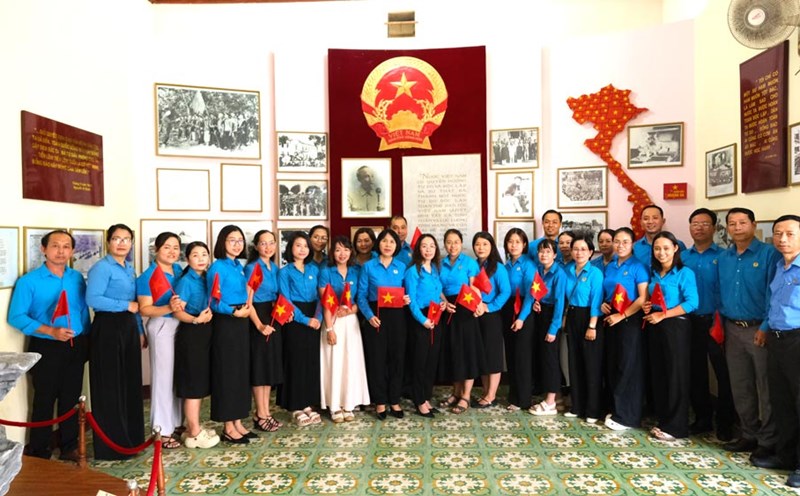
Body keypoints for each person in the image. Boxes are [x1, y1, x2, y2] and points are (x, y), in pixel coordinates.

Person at [8, 230, 90, 461]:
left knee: (71, 398)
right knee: (44, 399)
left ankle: (69, 447)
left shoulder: (76, 278)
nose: (61, 251)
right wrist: (50, 331)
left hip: (76, 344)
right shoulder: (29, 281)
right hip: (46, 347)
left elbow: (83, 312)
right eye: (55, 246)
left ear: (72, 251)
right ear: (43, 249)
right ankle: (39, 450)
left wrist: (87, 341)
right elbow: (16, 317)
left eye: (66, 246)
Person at [718, 208, 781, 459]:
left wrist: (765, 326)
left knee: (765, 386)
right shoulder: (725, 257)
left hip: (759, 329)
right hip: (731, 328)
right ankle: (748, 434)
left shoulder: (769, 255)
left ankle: (768, 440)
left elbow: (773, 294)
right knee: (740, 385)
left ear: (753, 225)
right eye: (731, 223)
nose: (737, 227)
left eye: (742, 222)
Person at [86, 224, 145, 460]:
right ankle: (112, 445)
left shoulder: (129, 268)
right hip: (108, 328)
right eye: (117, 239)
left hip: (128, 327)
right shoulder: (101, 268)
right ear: (108, 242)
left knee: (129, 383)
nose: (122, 243)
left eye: (127, 239)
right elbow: (93, 298)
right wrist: (125, 306)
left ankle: (131, 440)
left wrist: (140, 330)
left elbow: (136, 304)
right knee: (111, 385)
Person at [754, 215, 800, 488]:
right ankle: (786, 455)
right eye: (778, 233)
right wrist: (765, 328)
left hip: (798, 339)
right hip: (777, 339)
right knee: (782, 401)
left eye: (790, 233)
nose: (783, 239)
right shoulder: (781, 267)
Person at [682, 209, 735, 441]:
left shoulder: (724, 257)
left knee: (724, 373)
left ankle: (726, 422)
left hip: (716, 323)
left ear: (714, 228)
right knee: (695, 372)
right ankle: (702, 418)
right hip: (689, 322)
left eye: (705, 223)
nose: (699, 227)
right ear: (690, 227)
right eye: (695, 223)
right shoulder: (682, 256)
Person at [642, 231, 699, 440]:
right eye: (657, 248)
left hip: (675, 326)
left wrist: (663, 314)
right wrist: (650, 305)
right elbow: (656, 298)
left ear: (676, 248)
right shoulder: (655, 272)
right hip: (655, 325)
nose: (661, 252)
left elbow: (692, 303)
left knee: (676, 376)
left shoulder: (685, 273)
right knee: (660, 374)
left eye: (666, 248)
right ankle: (664, 420)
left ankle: (677, 427)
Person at [207, 225, 254, 444]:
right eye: (231, 240)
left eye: (240, 240)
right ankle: (227, 425)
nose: (237, 244)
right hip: (226, 322)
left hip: (241, 320)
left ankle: (238, 421)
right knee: (227, 373)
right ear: (222, 243)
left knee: (239, 372)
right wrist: (233, 312)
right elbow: (214, 300)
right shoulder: (217, 267)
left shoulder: (238, 266)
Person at [136, 232, 183, 449]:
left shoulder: (179, 271)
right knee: (163, 380)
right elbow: (145, 308)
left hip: (181, 325)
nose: (172, 251)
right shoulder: (149, 276)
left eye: (176, 247)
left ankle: (176, 422)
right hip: (162, 325)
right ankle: (161, 430)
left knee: (177, 377)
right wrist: (169, 308)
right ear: (156, 250)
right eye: (167, 247)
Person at [357, 229, 409, 419]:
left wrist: (406, 299)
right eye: (384, 241)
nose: (388, 245)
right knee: (377, 359)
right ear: (379, 244)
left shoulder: (402, 267)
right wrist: (369, 316)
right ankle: (379, 401)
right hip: (375, 316)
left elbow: (407, 293)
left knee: (397, 359)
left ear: (396, 246)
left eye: (392, 242)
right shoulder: (369, 267)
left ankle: (394, 400)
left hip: (398, 316)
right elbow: (361, 296)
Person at [171, 242, 219, 449]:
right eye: (195, 255)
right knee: (193, 383)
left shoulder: (205, 277)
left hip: (204, 332)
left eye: (204, 254)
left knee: (199, 382)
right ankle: (194, 432)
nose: (200, 258)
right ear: (187, 258)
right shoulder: (185, 281)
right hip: (192, 332)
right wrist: (195, 320)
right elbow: (177, 311)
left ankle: (193, 428)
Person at [601, 227, 649, 431]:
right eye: (617, 242)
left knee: (628, 366)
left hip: (629, 318)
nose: (620, 246)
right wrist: (604, 303)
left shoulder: (639, 266)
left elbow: (643, 298)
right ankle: (616, 408)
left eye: (625, 242)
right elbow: (608, 291)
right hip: (611, 316)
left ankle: (628, 416)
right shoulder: (610, 265)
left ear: (632, 244)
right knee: (614, 363)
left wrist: (622, 316)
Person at [318, 236, 370, 422]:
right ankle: (334, 405)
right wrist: (330, 329)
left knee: (350, 361)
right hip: (333, 321)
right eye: (338, 250)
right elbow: (325, 303)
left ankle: (349, 403)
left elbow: (360, 298)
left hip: (351, 321)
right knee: (334, 361)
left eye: (346, 250)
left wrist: (351, 310)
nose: (342, 254)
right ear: (333, 253)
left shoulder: (357, 270)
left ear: (351, 252)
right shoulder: (326, 271)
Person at [278, 231, 323, 426]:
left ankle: (307, 403)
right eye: (298, 245)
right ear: (290, 248)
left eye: (305, 246)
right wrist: (305, 320)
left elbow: (322, 296)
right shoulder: (284, 272)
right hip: (295, 320)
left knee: (310, 362)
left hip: (315, 316)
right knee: (295, 362)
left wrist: (318, 317)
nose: (303, 249)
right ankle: (295, 406)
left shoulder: (315, 269)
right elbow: (286, 300)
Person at [438, 229, 482, 415]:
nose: (452, 245)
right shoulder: (440, 264)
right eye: (449, 242)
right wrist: (445, 302)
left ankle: (466, 396)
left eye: (456, 242)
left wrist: (476, 305)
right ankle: (456, 392)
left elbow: (475, 287)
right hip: (449, 309)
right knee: (453, 351)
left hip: (466, 309)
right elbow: (438, 287)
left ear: (461, 243)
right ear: (445, 244)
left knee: (467, 352)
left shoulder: (470, 263)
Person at [244, 230, 283, 433]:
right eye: (263, 243)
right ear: (256, 246)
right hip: (258, 317)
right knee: (260, 368)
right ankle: (260, 415)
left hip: (272, 315)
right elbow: (248, 302)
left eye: (271, 243)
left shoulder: (274, 267)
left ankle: (266, 412)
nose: (267, 247)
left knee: (268, 367)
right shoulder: (253, 268)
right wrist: (259, 325)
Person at [562, 234, 604, 422]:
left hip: (589, 318)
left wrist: (592, 325)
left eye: (583, 249)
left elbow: (596, 300)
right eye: (575, 249)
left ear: (591, 252)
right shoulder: (567, 270)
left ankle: (593, 410)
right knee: (574, 362)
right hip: (572, 316)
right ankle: (577, 406)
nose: (579, 253)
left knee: (591, 365)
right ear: (571, 251)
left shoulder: (595, 273)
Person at [404, 233, 446, 418]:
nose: (428, 249)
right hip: (420, 319)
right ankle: (419, 400)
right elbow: (411, 300)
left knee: (432, 361)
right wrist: (423, 320)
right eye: (424, 246)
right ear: (418, 249)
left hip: (436, 317)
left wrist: (443, 304)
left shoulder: (435, 269)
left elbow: (438, 293)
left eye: (431, 246)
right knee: (419, 362)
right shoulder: (413, 271)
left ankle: (426, 397)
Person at [529, 239, 567, 416]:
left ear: (555, 254)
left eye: (548, 251)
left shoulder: (559, 273)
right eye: (541, 251)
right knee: (543, 357)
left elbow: (560, 303)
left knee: (550, 359)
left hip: (553, 317)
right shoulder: (539, 270)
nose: (544, 255)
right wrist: (536, 303)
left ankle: (550, 403)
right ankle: (555, 397)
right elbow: (537, 292)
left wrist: (553, 328)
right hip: (540, 313)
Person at [472, 232, 510, 408]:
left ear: (492, 247)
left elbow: (506, 292)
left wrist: (489, 307)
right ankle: (485, 392)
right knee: (482, 355)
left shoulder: (498, 268)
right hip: (475, 312)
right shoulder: (473, 266)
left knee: (493, 356)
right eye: (478, 244)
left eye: (485, 245)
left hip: (491, 314)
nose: (481, 248)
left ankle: (491, 395)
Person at [502, 228, 537, 411]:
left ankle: (523, 399)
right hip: (508, 309)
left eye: (517, 241)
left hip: (524, 310)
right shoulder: (506, 265)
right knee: (511, 354)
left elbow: (531, 294)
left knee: (522, 356)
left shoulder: (529, 265)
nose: (513, 245)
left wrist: (522, 318)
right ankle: (513, 395)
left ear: (524, 245)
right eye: (510, 241)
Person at [633, 205, 687, 269]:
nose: (650, 222)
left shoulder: (677, 244)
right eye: (646, 219)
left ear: (663, 221)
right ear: (641, 222)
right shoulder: (634, 247)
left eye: (655, 218)